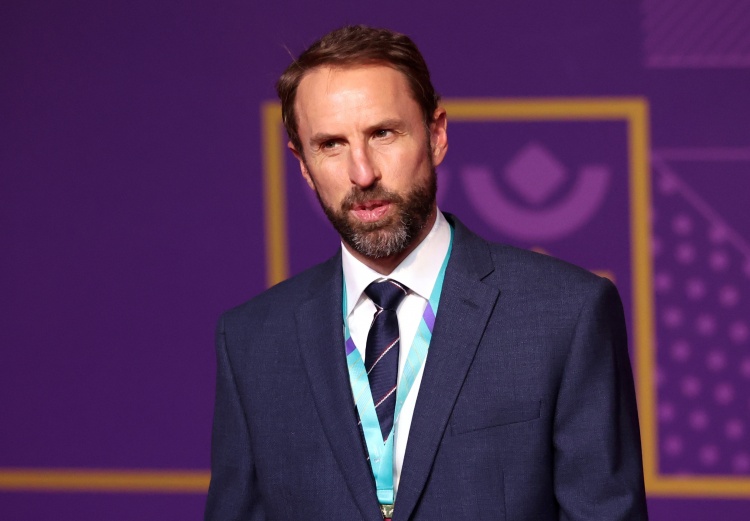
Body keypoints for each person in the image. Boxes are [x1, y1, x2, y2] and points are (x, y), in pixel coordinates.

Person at [205, 25, 648, 521]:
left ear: (436, 135)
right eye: (330, 144)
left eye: (383, 133)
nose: (362, 173)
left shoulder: (565, 313)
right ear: (303, 164)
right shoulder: (252, 341)